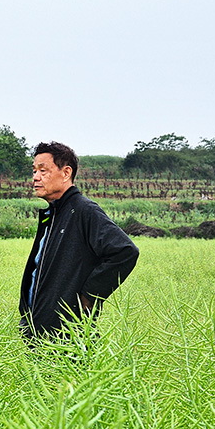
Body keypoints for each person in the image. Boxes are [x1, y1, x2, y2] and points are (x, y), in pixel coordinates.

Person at [19, 142, 139, 339]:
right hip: (39, 330)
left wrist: (88, 296)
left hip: (67, 333)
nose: (35, 177)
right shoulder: (55, 214)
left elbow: (124, 251)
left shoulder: (84, 210)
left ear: (66, 173)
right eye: (34, 171)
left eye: (43, 170)